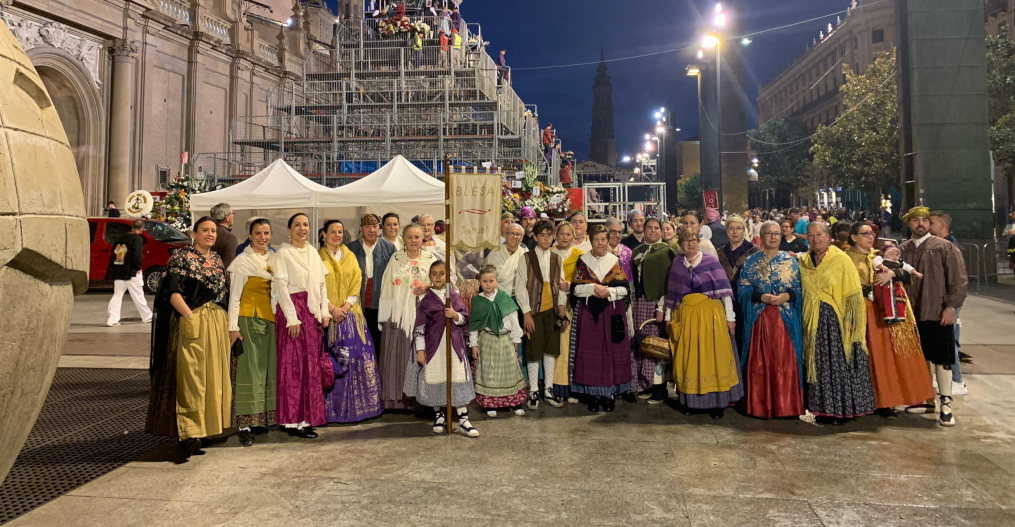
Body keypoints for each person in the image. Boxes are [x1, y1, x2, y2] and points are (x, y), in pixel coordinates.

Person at [146, 216, 231, 459]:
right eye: (205, 230)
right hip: (193, 320)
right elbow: (171, 292)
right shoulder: (181, 258)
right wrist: (189, 316)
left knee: (211, 377)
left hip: (216, 322)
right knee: (192, 377)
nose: (210, 234)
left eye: (213, 231)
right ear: (194, 233)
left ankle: (205, 428)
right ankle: (189, 432)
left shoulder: (216, 259)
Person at [845, 222, 934, 418]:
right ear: (853, 237)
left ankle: (886, 401)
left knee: (885, 357)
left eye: (872, 233)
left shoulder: (881, 255)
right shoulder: (845, 258)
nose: (870, 237)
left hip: (884, 312)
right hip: (859, 311)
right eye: (865, 233)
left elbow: (908, 275)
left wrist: (893, 274)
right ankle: (865, 401)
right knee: (864, 358)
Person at [798, 221, 875, 425]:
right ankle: (821, 410)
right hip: (812, 322)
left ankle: (841, 411)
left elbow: (853, 295)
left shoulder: (841, 260)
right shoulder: (805, 261)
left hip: (837, 322)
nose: (815, 239)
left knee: (838, 366)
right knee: (819, 366)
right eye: (811, 235)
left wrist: (851, 323)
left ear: (828, 236)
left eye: (819, 235)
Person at [899, 207, 967, 427]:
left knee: (942, 358)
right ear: (909, 223)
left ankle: (945, 404)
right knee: (920, 357)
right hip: (911, 314)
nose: (920, 224)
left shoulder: (945, 247)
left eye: (924, 220)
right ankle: (927, 398)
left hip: (937, 312)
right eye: (915, 220)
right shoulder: (902, 249)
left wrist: (951, 307)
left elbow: (958, 281)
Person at [665, 226, 742, 419]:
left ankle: (716, 404)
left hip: (711, 317)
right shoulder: (677, 264)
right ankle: (691, 402)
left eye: (694, 240)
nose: (690, 243)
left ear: (699, 242)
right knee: (689, 360)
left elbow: (724, 292)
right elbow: (672, 293)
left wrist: (730, 318)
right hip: (686, 317)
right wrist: (667, 317)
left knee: (714, 359)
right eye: (686, 240)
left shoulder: (710, 262)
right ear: (681, 244)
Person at [271, 213, 331, 438]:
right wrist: (291, 317)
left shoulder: (314, 253)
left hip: (312, 311)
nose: (302, 229)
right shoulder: (283, 254)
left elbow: (322, 284)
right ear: (289, 229)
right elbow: (281, 287)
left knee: (310, 367)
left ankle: (307, 417)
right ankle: (291, 419)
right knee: (292, 366)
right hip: (293, 312)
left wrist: (324, 311)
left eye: (305, 225)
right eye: (297, 225)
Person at [737, 221, 804, 419]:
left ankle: (788, 407)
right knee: (760, 361)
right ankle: (760, 405)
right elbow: (742, 290)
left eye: (777, 233)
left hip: (786, 322)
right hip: (760, 320)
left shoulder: (791, 261)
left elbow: (801, 289)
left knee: (786, 361)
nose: (773, 237)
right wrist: (761, 297)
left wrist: (788, 296)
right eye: (769, 233)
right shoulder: (751, 262)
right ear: (762, 237)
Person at [319, 220, 384, 424]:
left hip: (351, 315)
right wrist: (332, 308)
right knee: (333, 362)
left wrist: (346, 307)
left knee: (359, 359)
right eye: (333, 232)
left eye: (340, 231)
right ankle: (333, 411)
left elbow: (357, 281)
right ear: (323, 234)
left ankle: (363, 408)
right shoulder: (316, 257)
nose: (337, 235)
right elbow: (315, 286)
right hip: (328, 316)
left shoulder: (350, 255)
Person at [404, 261, 479, 437]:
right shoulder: (425, 300)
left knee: (457, 377)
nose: (438, 277)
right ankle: (439, 415)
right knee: (435, 377)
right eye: (434, 274)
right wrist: (420, 351)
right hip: (433, 346)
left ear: (447, 276)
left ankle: (463, 419)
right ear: (429, 277)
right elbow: (420, 328)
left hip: (453, 344)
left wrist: (454, 315)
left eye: (441, 273)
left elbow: (465, 318)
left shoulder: (453, 296)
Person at [569, 224, 633, 412]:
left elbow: (624, 290)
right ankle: (593, 396)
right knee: (592, 357)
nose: (600, 243)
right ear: (591, 240)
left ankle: (609, 395)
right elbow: (575, 290)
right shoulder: (583, 261)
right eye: (596, 239)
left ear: (608, 240)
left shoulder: (616, 261)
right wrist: (592, 288)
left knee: (611, 354)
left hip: (612, 313)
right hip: (590, 316)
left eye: (603, 239)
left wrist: (609, 290)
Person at [226, 218, 277, 447]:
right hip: (247, 319)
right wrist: (233, 327)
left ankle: (259, 418)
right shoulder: (242, 262)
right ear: (250, 235)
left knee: (264, 371)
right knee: (248, 372)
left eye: (266, 233)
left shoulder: (273, 259)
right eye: (258, 233)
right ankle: (244, 424)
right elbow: (234, 297)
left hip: (269, 320)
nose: (263, 237)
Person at [378, 223, 438, 410]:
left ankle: (425, 400)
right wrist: (386, 316)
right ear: (403, 238)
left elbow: (443, 281)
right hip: (399, 315)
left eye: (417, 237)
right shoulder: (396, 259)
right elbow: (387, 288)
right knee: (397, 355)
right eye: (410, 237)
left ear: (423, 239)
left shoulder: (430, 259)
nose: (413, 240)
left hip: (425, 315)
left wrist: (427, 286)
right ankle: (397, 400)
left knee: (424, 355)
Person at [515, 220, 567, 409]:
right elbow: (520, 287)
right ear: (535, 237)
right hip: (534, 310)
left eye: (549, 234)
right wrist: (527, 313)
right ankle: (534, 391)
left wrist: (561, 306)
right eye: (542, 235)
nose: (546, 238)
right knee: (533, 351)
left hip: (551, 310)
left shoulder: (556, 258)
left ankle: (549, 389)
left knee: (551, 350)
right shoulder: (526, 258)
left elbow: (559, 284)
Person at [469, 265, 527, 417]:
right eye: (484, 281)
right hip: (487, 340)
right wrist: (474, 345)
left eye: (491, 280)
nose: (488, 284)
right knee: (490, 373)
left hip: (505, 340)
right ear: (480, 282)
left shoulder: (504, 298)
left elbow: (515, 323)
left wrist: (515, 346)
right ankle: (490, 404)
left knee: (509, 372)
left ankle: (514, 403)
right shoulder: (478, 301)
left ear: (496, 281)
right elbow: (474, 326)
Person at [630, 218, 676, 403]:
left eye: (657, 228)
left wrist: (661, 307)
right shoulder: (637, 251)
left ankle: (659, 387)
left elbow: (669, 283)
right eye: (650, 228)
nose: (653, 231)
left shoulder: (666, 252)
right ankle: (643, 384)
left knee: (655, 344)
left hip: (655, 302)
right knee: (640, 342)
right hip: (638, 301)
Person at [930, 211, 973, 375]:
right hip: (946, 299)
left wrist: (951, 304)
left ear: (943, 225)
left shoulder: (951, 247)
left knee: (948, 342)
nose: (928, 226)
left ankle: (955, 378)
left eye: (932, 223)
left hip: (949, 300)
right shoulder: (941, 244)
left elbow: (957, 279)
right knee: (951, 338)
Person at [348, 214, 397, 353]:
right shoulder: (350, 249)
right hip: (356, 304)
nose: (371, 230)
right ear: (361, 229)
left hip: (381, 304)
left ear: (379, 228)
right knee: (359, 344)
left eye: (375, 226)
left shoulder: (389, 248)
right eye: (367, 226)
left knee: (379, 344)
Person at [550, 221, 583, 403]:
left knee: (571, 346)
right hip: (551, 304)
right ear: (556, 235)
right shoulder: (550, 252)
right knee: (555, 347)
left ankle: (572, 386)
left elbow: (585, 279)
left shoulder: (579, 255)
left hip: (572, 304)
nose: (564, 237)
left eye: (568, 234)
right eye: (561, 234)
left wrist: (569, 286)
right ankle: (555, 386)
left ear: (573, 236)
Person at [717, 215, 760, 350]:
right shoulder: (719, 252)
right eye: (731, 228)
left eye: (738, 228)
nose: (735, 232)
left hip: (747, 301)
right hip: (726, 301)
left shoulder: (754, 251)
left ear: (744, 230)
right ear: (726, 230)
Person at [105, 219, 153, 327]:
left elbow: (115, 253)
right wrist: (138, 268)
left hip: (119, 270)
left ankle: (112, 319)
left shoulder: (121, 238)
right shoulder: (137, 239)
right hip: (131, 272)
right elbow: (136, 255)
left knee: (117, 295)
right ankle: (147, 316)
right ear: (142, 229)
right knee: (138, 294)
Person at [485, 222, 528, 299]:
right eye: (512, 233)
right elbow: (486, 276)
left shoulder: (524, 252)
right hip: (496, 295)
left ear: (521, 238)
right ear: (505, 235)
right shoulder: (495, 251)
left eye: (518, 234)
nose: (514, 236)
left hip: (518, 296)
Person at [210, 203, 238, 270]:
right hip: (220, 277)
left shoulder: (206, 233)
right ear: (227, 217)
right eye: (232, 213)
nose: (234, 215)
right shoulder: (229, 238)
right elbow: (229, 265)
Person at [606, 218, 633, 284]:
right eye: (613, 231)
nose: (617, 235)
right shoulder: (598, 249)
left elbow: (631, 277)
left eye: (619, 232)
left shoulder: (628, 252)